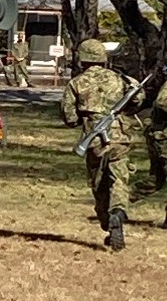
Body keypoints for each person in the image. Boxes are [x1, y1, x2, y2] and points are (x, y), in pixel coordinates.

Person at [59, 38, 145, 251]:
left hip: (95, 141)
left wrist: (84, 118)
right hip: (120, 138)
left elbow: (69, 117)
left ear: (83, 59)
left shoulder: (76, 83)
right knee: (119, 180)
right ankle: (118, 213)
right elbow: (138, 100)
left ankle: (107, 221)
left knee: (99, 185)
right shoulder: (121, 80)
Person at [131, 77, 167, 229]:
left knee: (155, 180)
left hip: (159, 137)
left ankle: (117, 201)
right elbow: (162, 102)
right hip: (163, 138)